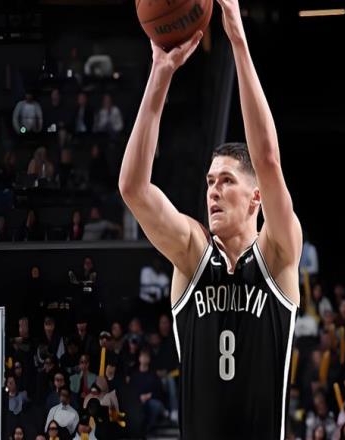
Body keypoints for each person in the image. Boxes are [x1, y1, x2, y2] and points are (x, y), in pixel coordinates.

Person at [118, 0, 302, 438]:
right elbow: (133, 188)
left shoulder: (277, 255)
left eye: (226, 181)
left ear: (256, 197)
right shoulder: (193, 254)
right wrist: (159, 76)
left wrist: (237, 39)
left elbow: (268, 160)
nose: (213, 191)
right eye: (209, 182)